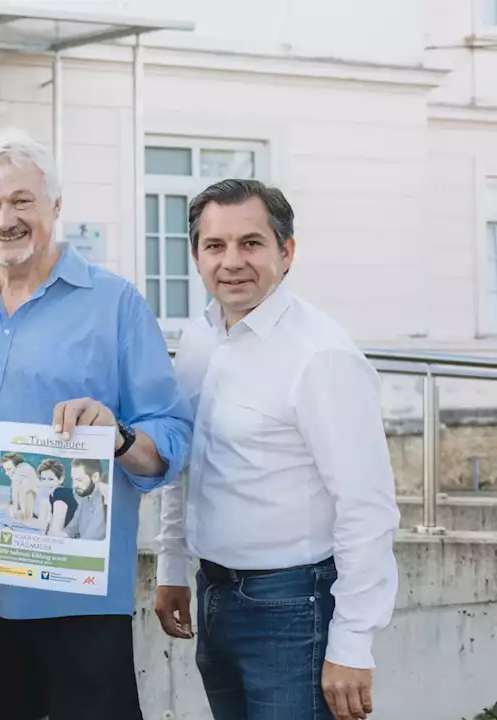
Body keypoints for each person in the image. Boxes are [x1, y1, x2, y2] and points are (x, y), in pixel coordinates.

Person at [0, 128, 193, 720]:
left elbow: (171, 435)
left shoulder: (116, 304)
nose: (4, 219)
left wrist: (117, 437)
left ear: (56, 207)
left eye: (22, 201)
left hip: (76, 598)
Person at [154, 179, 400, 720]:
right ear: (195, 255)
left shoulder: (322, 355)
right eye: (215, 246)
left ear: (285, 252)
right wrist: (171, 566)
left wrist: (352, 643)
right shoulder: (199, 340)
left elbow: (368, 506)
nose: (232, 261)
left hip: (294, 607)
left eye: (252, 243)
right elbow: (188, 465)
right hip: (214, 590)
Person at [52, 458, 107, 541]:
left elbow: (87, 541)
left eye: (79, 480)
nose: (74, 485)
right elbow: (72, 528)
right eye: (73, 479)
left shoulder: (103, 504)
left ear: (95, 477)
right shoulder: (85, 497)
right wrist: (59, 536)